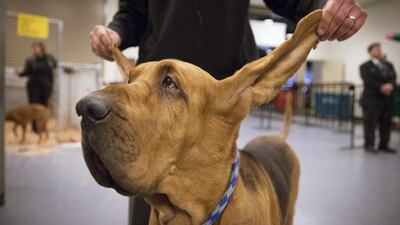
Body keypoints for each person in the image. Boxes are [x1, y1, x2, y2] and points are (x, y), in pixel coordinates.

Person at [89, 0, 367, 223]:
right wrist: (117, 31)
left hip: (222, 82)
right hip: (155, 74)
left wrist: (321, 3)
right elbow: (134, 10)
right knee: (148, 192)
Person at [360, 43, 397, 153]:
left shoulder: (388, 65)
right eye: (376, 49)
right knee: (370, 123)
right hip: (372, 100)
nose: (379, 51)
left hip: (387, 100)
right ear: (370, 52)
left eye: (380, 49)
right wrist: (381, 87)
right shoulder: (365, 66)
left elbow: (393, 77)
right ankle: (369, 145)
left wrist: (390, 86)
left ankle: (384, 145)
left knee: (386, 123)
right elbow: (368, 80)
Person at [17, 41, 58, 106]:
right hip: (34, 86)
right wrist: (19, 73)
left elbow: (57, 66)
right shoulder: (30, 60)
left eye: (36, 47)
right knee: (34, 104)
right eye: (33, 48)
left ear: (42, 48)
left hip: (47, 86)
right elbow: (26, 72)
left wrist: (68, 69)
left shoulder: (50, 58)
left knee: (44, 104)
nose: (35, 49)